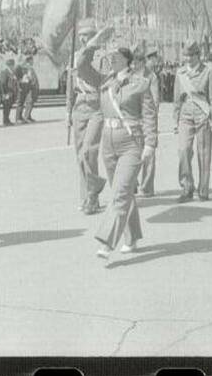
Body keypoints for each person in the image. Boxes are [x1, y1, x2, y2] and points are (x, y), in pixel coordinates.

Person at [75, 25, 158, 261]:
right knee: (122, 192)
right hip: (109, 145)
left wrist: (150, 144)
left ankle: (106, 241)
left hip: (132, 143)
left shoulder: (141, 84)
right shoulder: (104, 81)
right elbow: (81, 66)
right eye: (109, 56)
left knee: (120, 193)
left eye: (115, 56)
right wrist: (93, 44)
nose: (110, 59)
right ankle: (131, 237)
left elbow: (150, 116)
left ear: (126, 60)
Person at [67, 18, 106, 214]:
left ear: (95, 37)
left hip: (96, 105)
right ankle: (89, 198)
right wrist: (68, 110)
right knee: (80, 155)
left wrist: (91, 48)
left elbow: (95, 74)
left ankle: (93, 192)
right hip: (79, 105)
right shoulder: (75, 56)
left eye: (87, 35)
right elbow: (70, 85)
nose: (83, 39)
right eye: (81, 35)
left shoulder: (101, 56)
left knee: (89, 150)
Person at [173, 42, 212, 202]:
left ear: (197, 55)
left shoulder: (208, 71)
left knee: (204, 153)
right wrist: (175, 119)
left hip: (203, 114)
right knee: (183, 150)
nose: (186, 59)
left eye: (189, 56)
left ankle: (203, 189)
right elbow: (176, 98)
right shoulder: (180, 73)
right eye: (185, 55)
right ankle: (187, 186)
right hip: (185, 115)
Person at [137, 48, 162, 197]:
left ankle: (147, 187)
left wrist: (151, 118)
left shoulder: (151, 77)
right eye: (132, 61)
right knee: (132, 152)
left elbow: (155, 100)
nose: (134, 65)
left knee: (149, 153)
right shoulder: (129, 75)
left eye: (137, 61)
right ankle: (132, 184)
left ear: (143, 61)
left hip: (147, 118)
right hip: (133, 117)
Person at [17, 56, 39, 123]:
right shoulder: (28, 68)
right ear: (29, 61)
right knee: (29, 102)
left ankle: (28, 116)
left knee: (31, 102)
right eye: (32, 60)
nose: (33, 62)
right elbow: (29, 77)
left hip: (33, 87)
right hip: (29, 87)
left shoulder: (30, 67)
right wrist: (32, 82)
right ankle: (26, 117)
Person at [0, 57, 18, 126]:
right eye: (12, 65)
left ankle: (7, 119)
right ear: (9, 65)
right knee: (6, 107)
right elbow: (2, 83)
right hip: (7, 93)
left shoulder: (12, 72)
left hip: (11, 93)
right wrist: (4, 94)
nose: (13, 66)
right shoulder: (5, 72)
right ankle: (5, 120)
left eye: (13, 65)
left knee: (9, 106)